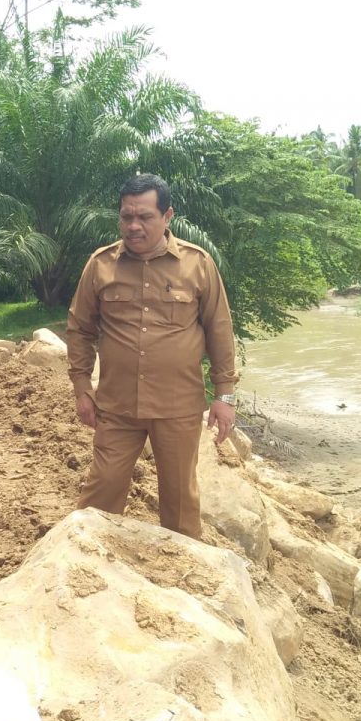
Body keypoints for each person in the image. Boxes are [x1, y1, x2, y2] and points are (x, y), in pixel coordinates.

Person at [65, 173, 239, 540]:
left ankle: (183, 578)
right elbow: (79, 329)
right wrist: (82, 387)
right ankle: (88, 565)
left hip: (178, 407)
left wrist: (224, 396)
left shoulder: (197, 264)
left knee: (179, 503)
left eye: (144, 216)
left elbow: (220, 330)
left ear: (168, 216)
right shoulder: (100, 265)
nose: (134, 225)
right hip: (117, 406)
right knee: (101, 492)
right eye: (126, 216)